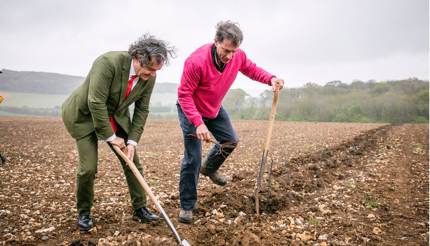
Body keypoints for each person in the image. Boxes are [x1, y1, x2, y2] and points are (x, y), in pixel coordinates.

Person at [62, 34, 175, 232]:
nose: (152, 74)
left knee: (133, 163)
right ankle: (84, 213)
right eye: (149, 69)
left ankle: (140, 208)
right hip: (85, 115)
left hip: (115, 115)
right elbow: (95, 102)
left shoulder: (149, 77)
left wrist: (132, 141)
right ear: (138, 57)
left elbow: (142, 109)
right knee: (88, 168)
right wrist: (112, 138)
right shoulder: (108, 63)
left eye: (156, 70)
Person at [176, 20, 284, 223]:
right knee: (193, 158)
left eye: (233, 51)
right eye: (226, 50)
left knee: (230, 140)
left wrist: (271, 78)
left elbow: (251, 69)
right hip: (191, 109)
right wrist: (198, 123)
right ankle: (187, 206)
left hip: (213, 107)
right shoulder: (196, 61)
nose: (229, 56)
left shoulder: (237, 56)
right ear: (216, 41)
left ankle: (209, 168)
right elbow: (184, 95)